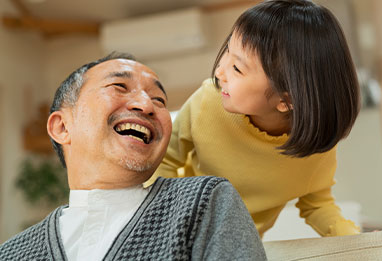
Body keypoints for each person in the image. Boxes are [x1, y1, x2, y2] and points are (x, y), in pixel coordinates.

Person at [0, 53, 267, 260]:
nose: (146, 105)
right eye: (119, 86)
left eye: (160, 99)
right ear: (62, 126)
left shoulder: (204, 200)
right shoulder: (12, 254)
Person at [146, 0, 361, 238]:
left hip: (243, 243)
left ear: (287, 100)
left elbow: (317, 205)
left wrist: (354, 239)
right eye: (227, 51)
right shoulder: (207, 102)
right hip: (184, 225)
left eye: (237, 68)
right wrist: (163, 222)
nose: (219, 72)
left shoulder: (314, 145)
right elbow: (164, 160)